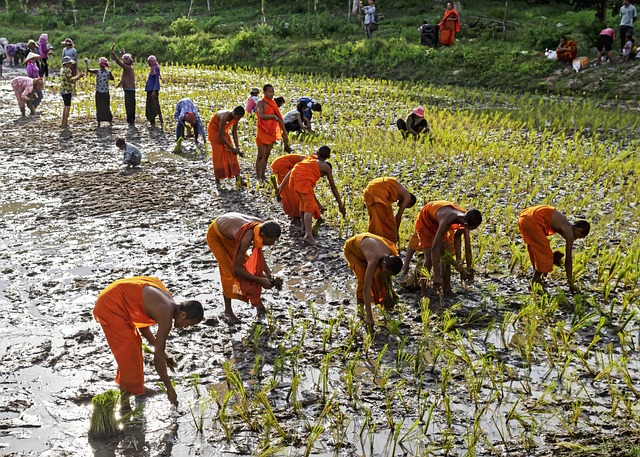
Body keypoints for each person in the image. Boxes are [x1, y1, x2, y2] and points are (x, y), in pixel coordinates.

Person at [93, 276, 203, 407]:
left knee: (133, 346)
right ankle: (125, 401)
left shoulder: (168, 301)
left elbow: (141, 319)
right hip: (111, 305)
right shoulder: (166, 315)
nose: (186, 327)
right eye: (188, 324)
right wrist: (170, 388)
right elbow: (157, 361)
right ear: (183, 315)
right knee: (129, 351)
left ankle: (134, 388)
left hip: (117, 296)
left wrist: (161, 351)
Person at [206, 212, 281, 323]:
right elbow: (237, 269)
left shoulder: (261, 227)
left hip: (230, 231)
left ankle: (259, 306)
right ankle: (228, 312)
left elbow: (258, 256)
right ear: (264, 236)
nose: (273, 243)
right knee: (229, 273)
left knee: (250, 269)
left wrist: (269, 274)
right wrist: (260, 281)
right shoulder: (246, 238)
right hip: (217, 235)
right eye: (272, 241)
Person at [277, 146, 346, 245]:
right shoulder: (326, 167)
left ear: (317, 153)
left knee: (303, 203)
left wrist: (281, 187)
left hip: (294, 178)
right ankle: (308, 236)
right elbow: (333, 187)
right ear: (329, 156)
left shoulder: (309, 159)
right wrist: (340, 204)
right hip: (302, 181)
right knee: (309, 208)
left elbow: (292, 170)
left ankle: (304, 228)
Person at [415, 201, 482, 296]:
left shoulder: (464, 217)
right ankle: (424, 292)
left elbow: (458, 236)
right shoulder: (447, 220)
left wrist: (458, 260)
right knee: (429, 258)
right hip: (426, 220)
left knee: (447, 256)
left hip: (438, 217)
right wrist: (437, 275)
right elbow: (435, 248)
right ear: (467, 224)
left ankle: (447, 290)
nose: (474, 230)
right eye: (473, 228)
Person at [518, 205, 590, 292]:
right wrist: (571, 284)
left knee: (536, 252)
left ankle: (537, 280)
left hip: (524, 217)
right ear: (579, 230)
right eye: (579, 237)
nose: (576, 239)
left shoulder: (564, 222)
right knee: (546, 256)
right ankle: (533, 284)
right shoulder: (569, 232)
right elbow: (568, 260)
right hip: (533, 221)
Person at [343, 233, 403, 328]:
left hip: (370, 242)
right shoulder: (374, 259)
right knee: (363, 280)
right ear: (383, 263)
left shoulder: (389, 254)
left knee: (379, 277)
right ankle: (360, 310)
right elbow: (366, 288)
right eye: (386, 272)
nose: (386, 274)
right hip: (352, 249)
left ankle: (384, 303)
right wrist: (369, 317)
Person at [363, 177, 417, 245]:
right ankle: (387, 243)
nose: (403, 206)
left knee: (376, 219)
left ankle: (373, 241)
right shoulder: (407, 196)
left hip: (370, 189)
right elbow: (398, 216)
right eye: (407, 206)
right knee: (387, 221)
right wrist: (396, 233)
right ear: (410, 202)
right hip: (378, 190)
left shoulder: (400, 192)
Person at [256, 84, 291, 181]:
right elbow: (261, 115)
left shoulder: (273, 104)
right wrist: (272, 117)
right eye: (269, 92)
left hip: (271, 132)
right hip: (262, 130)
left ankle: (262, 175)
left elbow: (279, 118)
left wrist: (284, 133)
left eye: (272, 92)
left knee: (266, 154)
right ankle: (258, 175)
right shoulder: (261, 102)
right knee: (260, 154)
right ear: (264, 92)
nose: (271, 94)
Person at [207, 107, 246, 189]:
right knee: (218, 156)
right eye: (238, 118)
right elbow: (220, 135)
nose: (238, 119)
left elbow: (234, 132)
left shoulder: (236, 117)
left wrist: (237, 147)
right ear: (234, 114)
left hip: (224, 133)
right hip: (214, 132)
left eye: (240, 118)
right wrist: (232, 148)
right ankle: (217, 180)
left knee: (232, 155)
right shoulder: (224, 116)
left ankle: (238, 179)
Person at [270, 153, 309, 225]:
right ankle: (294, 215)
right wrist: (281, 186)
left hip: (281, 164)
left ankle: (294, 214)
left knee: (288, 191)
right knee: (291, 193)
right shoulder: (308, 161)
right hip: (282, 165)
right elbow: (292, 171)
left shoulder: (311, 162)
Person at [85, 57, 114, 127]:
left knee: (99, 107)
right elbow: (112, 78)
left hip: (99, 92)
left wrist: (86, 63)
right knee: (106, 106)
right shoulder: (108, 72)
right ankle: (109, 121)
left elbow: (88, 70)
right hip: (106, 92)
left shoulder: (97, 71)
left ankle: (99, 122)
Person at [111, 45, 136, 125]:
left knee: (129, 105)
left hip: (128, 89)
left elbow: (118, 62)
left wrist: (113, 52)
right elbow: (124, 61)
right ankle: (131, 120)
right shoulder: (130, 67)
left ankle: (130, 120)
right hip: (131, 89)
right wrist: (123, 54)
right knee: (131, 105)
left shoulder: (127, 68)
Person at [60, 56, 84, 128]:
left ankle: (63, 122)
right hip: (67, 90)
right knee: (67, 106)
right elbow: (71, 80)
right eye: (69, 63)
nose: (70, 64)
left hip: (63, 90)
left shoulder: (62, 69)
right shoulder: (68, 70)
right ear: (67, 64)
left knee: (65, 106)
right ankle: (65, 123)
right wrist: (79, 76)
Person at [145, 55, 163, 126]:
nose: (148, 63)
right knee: (150, 104)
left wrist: (154, 90)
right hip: (149, 89)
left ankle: (156, 119)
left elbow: (156, 80)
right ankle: (152, 119)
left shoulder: (156, 69)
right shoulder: (152, 69)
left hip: (153, 90)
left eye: (149, 62)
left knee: (154, 105)